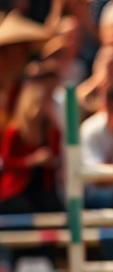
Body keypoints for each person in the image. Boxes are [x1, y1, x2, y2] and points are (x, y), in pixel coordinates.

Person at [0, 81, 62, 214]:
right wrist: (31, 161)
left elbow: (59, 158)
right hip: (18, 190)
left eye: (43, 102)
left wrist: (51, 161)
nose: (39, 107)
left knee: (55, 208)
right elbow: (6, 163)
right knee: (21, 208)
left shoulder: (51, 131)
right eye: (36, 102)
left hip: (45, 189)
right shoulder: (14, 132)